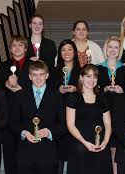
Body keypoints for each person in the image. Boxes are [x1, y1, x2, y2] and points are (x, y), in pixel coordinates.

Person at [10, 60, 66, 174]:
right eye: (34, 75)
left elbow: (64, 125)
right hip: (25, 153)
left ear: (47, 75)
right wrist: (24, 132)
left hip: (48, 153)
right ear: (30, 76)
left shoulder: (57, 96)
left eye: (41, 74)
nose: (38, 78)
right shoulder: (19, 95)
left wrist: (49, 132)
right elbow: (12, 123)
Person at [0, 35, 31, 174]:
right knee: (9, 154)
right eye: (14, 45)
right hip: (8, 115)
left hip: (27, 114)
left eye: (20, 45)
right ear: (10, 49)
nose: (17, 48)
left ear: (26, 48)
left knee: (26, 154)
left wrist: (22, 89)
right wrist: (6, 84)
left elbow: (39, 86)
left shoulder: (33, 65)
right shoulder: (3, 66)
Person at [66, 64, 112, 174]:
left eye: (95, 77)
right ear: (81, 77)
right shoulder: (73, 97)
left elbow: (108, 123)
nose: (92, 80)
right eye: (88, 76)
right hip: (80, 143)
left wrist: (105, 142)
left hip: (100, 144)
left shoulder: (102, 97)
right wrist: (84, 142)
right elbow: (70, 124)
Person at [97, 36, 125, 174]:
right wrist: (104, 89)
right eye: (110, 47)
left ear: (119, 50)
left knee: (115, 149)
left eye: (116, 47)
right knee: (102, 148)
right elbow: (93, 90)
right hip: (102, 112)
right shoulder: (98, 68)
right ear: (105, 49)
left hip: (119, 114)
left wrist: (122, 91)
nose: (113, 50)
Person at [55, 39, 81, 174]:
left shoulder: (81, 70)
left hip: (76, 114)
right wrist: (58, 89)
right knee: (58, 153)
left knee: (74, 151)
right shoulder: (54, 71)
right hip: (58, 114)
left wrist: (76, 89)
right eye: (63, 49)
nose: (66, 52)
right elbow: (49, 91)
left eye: (70, 49)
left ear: (75, 52)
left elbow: (88, 90)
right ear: (60, 53)